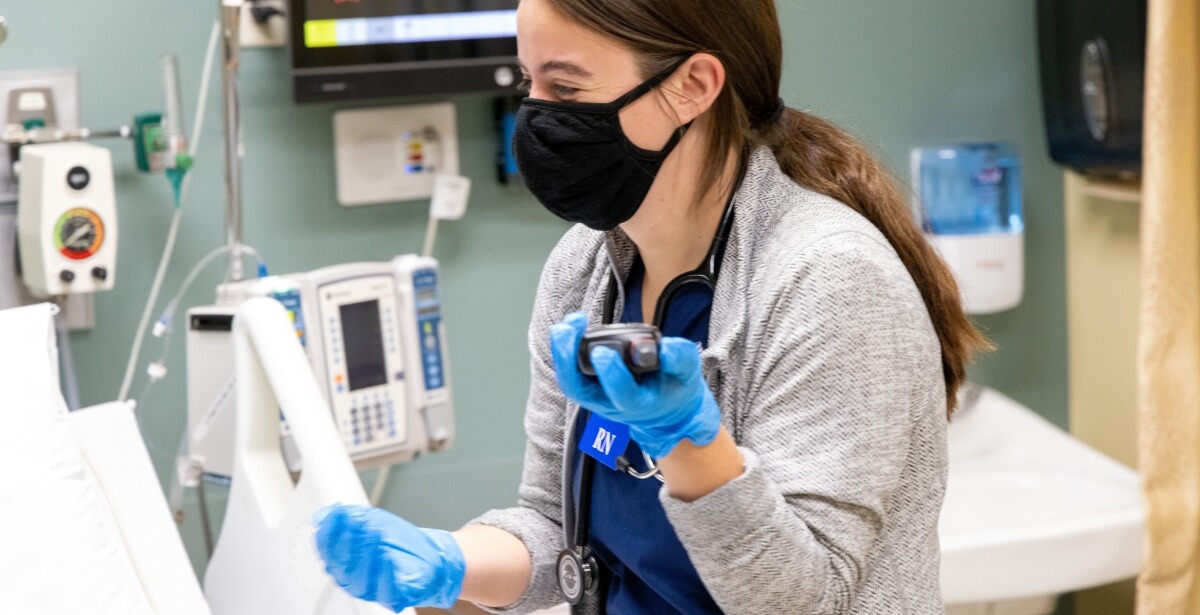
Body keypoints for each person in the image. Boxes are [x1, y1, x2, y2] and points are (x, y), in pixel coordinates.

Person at [312, 0, 990, 612]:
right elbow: (555, 527)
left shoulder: (830, 278)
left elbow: (805, 601)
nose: (537, 113)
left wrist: (689, 442)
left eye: (566, 86)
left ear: (692, 87)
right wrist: (451, 560)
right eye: (529, 84)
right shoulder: (584, 267)